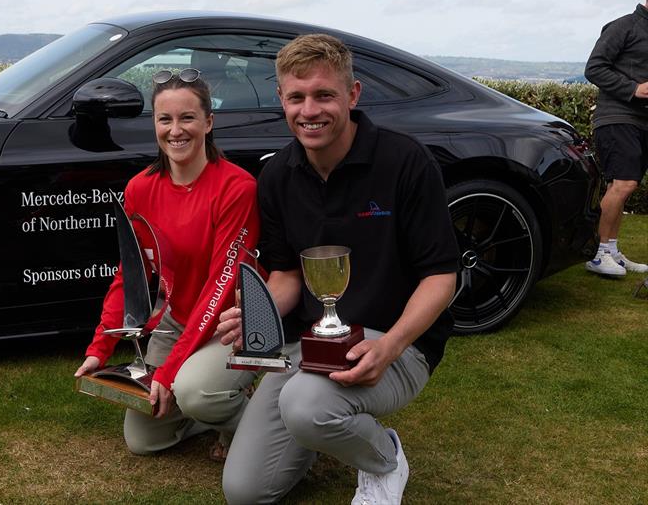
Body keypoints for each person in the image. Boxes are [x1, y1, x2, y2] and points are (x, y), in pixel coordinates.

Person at [216, 34, 460, 504]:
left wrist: (389, 347)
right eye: (297, 97)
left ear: (353, 94)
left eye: (324, 95)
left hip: (394, 344)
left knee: (305, 405)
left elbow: (441, 276)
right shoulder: (278, 175)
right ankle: (317, 432)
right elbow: (286, 275)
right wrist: (260, 317)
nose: (310, 110)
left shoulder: (406, 161)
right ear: (281, 101)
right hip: (312, 344)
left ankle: (384, 457)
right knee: (244, 492)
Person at [74, 68, 259, 460]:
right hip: (178, 320)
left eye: (187, 118)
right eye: (165, 119)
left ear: (208, 122)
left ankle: (258, 423)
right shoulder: (140, 187)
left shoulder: (236, 188)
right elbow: (132, 274)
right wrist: (101, 347)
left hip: (229, 324)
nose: (176, 130)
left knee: (194, 390)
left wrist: (171, 369)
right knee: (144, 439)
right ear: (155, 125)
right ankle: (206, 412)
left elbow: (219, 287)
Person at [583, 0, 648, 277]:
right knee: (624, 184)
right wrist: (633, 89)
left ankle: (611, 251)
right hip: (616, 117)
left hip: (641, 122)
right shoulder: (624, 26)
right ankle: (598, 254)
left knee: (620, 188)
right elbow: (594, 67)